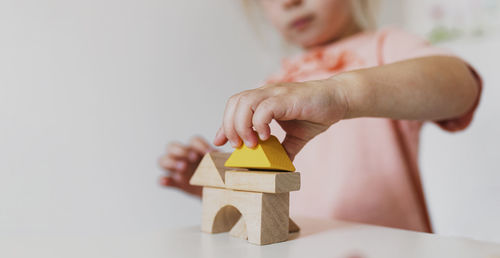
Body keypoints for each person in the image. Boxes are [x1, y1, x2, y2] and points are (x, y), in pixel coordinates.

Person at [158, 0, 482, 233]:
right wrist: (218, 187)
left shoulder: (386, 48)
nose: (290, 2)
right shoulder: (271, 89)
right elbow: (265, 209)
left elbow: (460, 87)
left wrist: (340, 94)